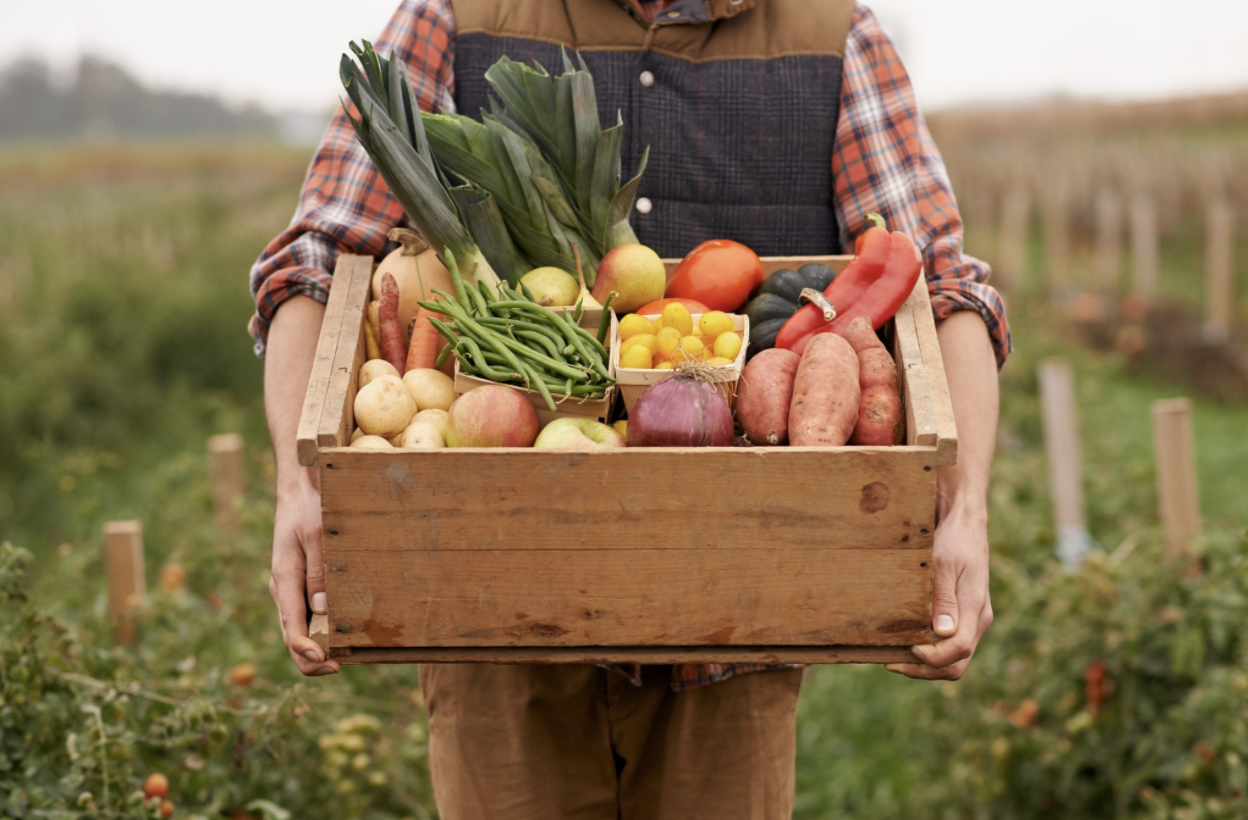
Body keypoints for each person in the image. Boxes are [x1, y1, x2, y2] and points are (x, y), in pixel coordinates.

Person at [251, 1, 1011, 817]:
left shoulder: (832, 32)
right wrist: (301, 490)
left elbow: (944, 291)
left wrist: (964, 511)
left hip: (741, 621)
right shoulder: (456, 14)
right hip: (498, 615)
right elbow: (319, 262)